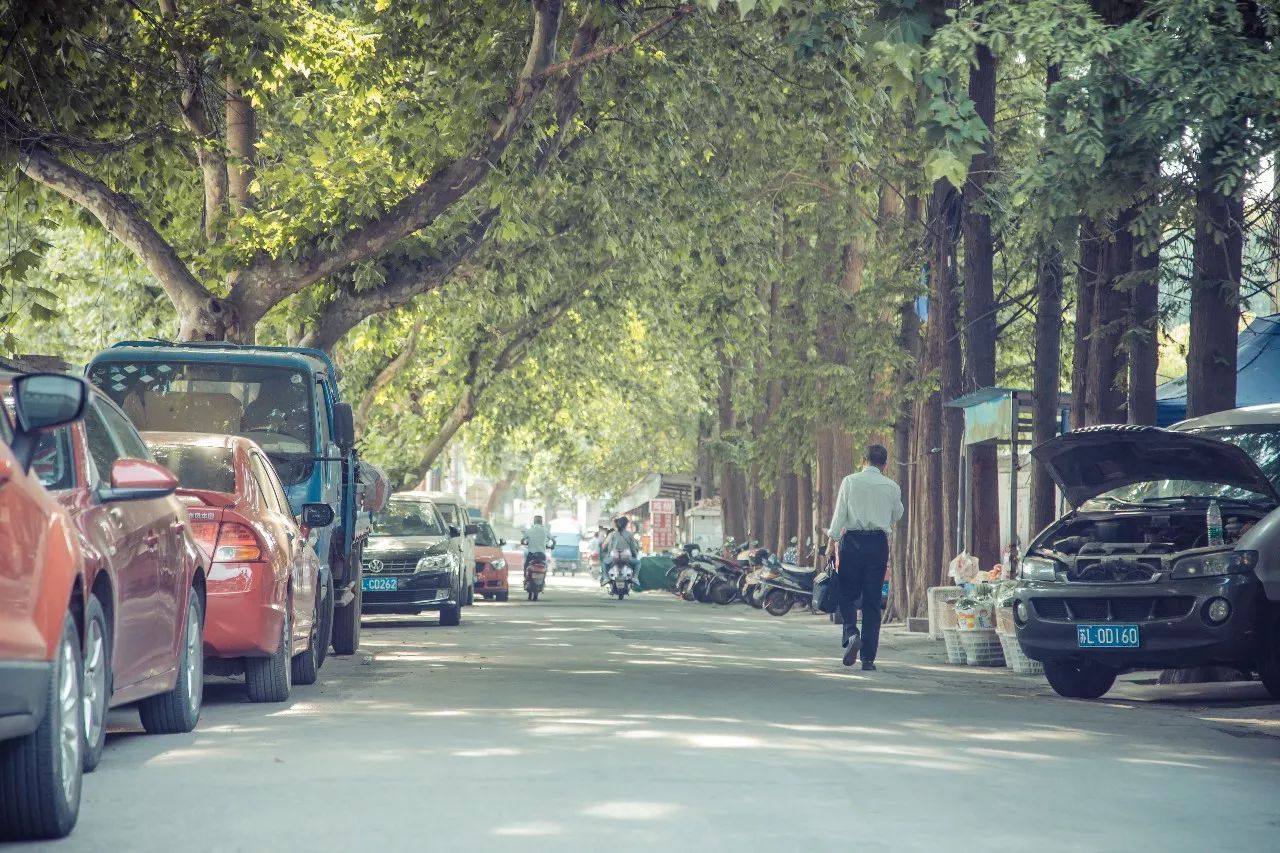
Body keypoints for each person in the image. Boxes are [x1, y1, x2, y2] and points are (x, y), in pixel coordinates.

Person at [827, 444, 903, 672]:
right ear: (885, 465)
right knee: (871, 601)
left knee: (846, 593)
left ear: (864, 460)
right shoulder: (891, 486)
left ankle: (851, 633)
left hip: (853, 543)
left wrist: (831, 542)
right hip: (878, 544)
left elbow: (840, 514)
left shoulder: (850, 481)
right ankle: (868, 658)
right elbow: (897, 514)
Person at [601, 516, 640, 584]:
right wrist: (635, 555)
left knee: (604, 563)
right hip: (626, 558)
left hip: (614, 557)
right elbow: (633, 547)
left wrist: (608, 555)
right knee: (638, 563)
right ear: (626, 524)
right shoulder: (629, 534)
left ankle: (606, 578)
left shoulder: (613, 534)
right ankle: (634, 578)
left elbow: (609, 547)